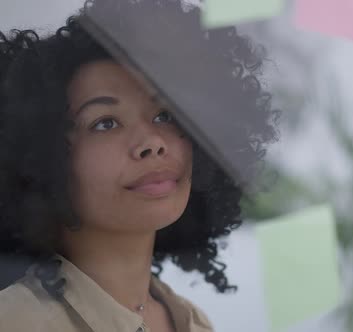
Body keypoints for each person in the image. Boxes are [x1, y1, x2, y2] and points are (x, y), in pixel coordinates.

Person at [0, 0, 280, 331]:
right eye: (105, 123)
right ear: (41, 159)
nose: (153, 141)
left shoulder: (194, 322)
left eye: (165, 115)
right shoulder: (17, 321)